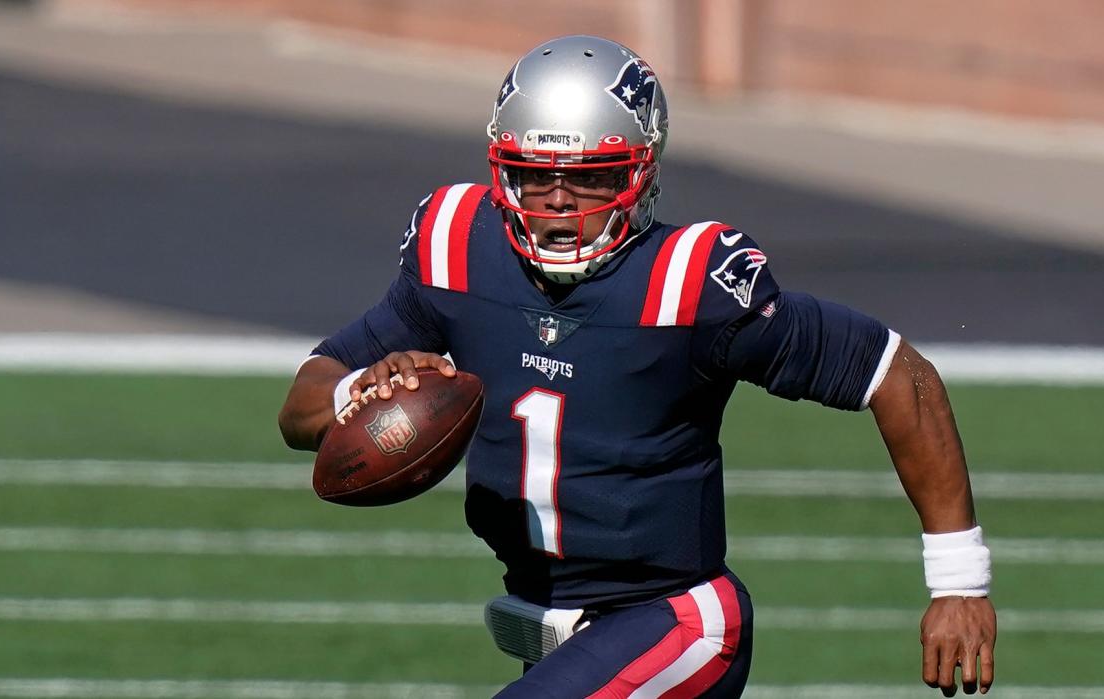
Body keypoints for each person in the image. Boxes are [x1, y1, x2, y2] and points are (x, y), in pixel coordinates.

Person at [279, 34, 996, 698]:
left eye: (590, 179)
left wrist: (958, 581)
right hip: (555, 631)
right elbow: (301, 406)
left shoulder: (692, 283)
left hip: (674, 619)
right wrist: (356, 390)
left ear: (641, 170)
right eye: (536, 175)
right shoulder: (455, 249)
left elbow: (895, 372)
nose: (559, 202)